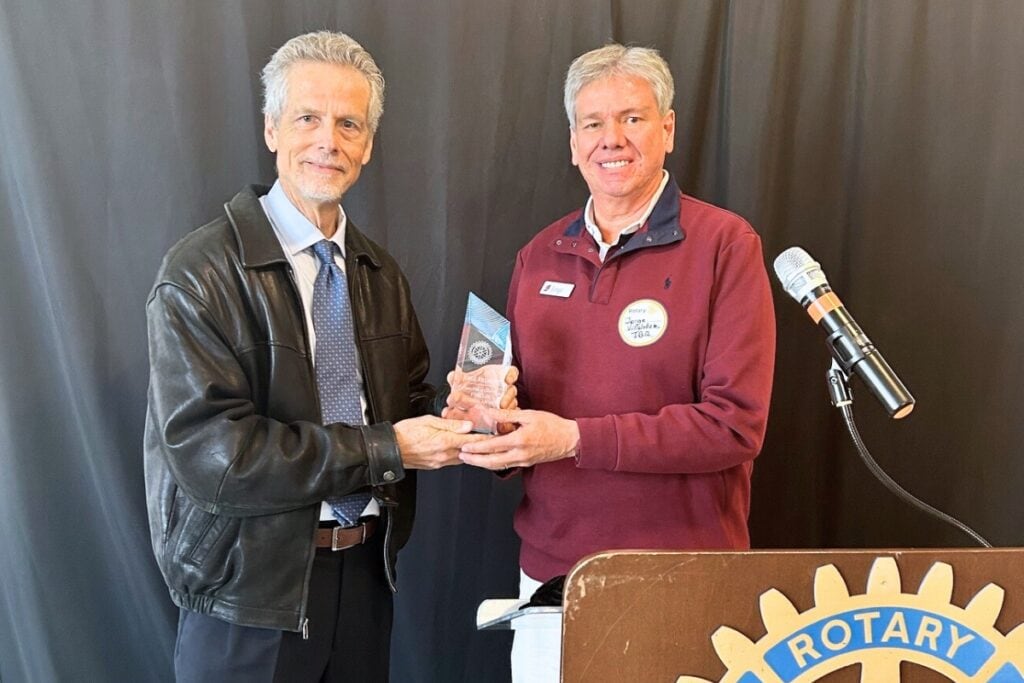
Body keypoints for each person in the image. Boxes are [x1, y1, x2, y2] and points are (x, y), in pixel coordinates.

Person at [144, 31, 510, 682]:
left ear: (367, 144)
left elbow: (407, 402)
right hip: (249, 593)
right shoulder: (199, 273)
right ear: (271, 129)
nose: (327, 140)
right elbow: (217, 458)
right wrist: (389, 446)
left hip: (364, 583)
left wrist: (462, 415)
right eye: (307, 117)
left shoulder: (379, 274)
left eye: (349, 123)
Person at [458, 44, 776, 681]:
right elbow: (520, 422)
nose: (612, 139)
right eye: (592, 123)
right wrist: (486, 423)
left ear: (668, 128)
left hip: (683, 576)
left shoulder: (725, 245)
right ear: (573, 142)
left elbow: (735, 426)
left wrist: (575, 439)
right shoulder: (538, 255)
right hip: (552, 578)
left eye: (632, 118)